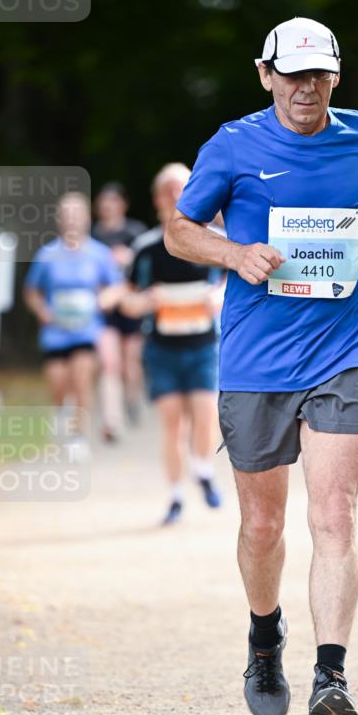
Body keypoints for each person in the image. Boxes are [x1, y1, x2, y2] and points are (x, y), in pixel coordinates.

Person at [165, 17, 358, 715]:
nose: (307, 88)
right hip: (256, 359)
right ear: (265, 74)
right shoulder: (233, 144)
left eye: (319, 75)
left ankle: (331, 679)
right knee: (263, 526)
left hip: (341, 349)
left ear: (336, 76)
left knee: (335, 516)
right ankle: (265, 637)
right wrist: (234, 253)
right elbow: (180, 230)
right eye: (293, 75)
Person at [121, 164, 223, 525]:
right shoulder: (147, 247)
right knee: (173, 425)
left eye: (181, 188)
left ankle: (203, 469)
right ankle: (176, 496)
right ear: (157, 199)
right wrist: (145, 301)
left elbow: (233, 282)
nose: (175, 196)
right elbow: (126, 299)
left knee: (205, 416)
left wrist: (218, 297)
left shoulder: (213, 240)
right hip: (162, 349)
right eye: (168, 190)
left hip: (204, 345)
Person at [24, 192, 123, 457]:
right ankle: (61, 413)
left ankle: (79, 436)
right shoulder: (47, 254)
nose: (71, 220)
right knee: (59, 383)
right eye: (66, 215)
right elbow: (31, 291)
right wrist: (42, 311)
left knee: (81, 378)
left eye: (76, 215)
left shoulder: (99, 254)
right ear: (59, 219)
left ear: (87, 219)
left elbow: (116, 287)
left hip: (87, 329)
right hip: (56, 331)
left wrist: (104, 299)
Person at [91, 182, 148, 440]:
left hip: (132, 305)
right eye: (104, 201)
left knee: (130, 362)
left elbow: (146, 268)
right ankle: (111, 420)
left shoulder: (136, 233)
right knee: (109, 362)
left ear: (123, 205)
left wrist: (129, 259)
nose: (108, 206)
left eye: (113, 201)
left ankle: (132, 398)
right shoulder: (93, 235)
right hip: (106, 308)